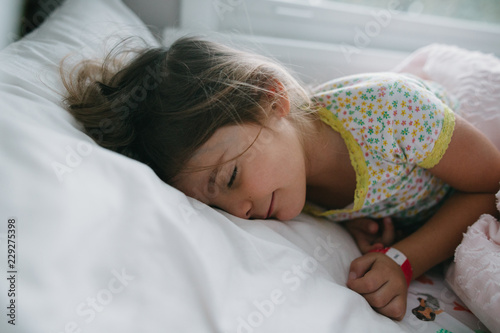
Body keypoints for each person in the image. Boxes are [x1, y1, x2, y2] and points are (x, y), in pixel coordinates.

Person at [60, 36, 500, 321]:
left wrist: (405, 259)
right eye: (215, 208)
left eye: (230, 178)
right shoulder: (287, 180)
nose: (240, 212)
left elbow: (488, 184)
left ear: (271, 99)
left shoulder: (392, 114)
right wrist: (362, 221)